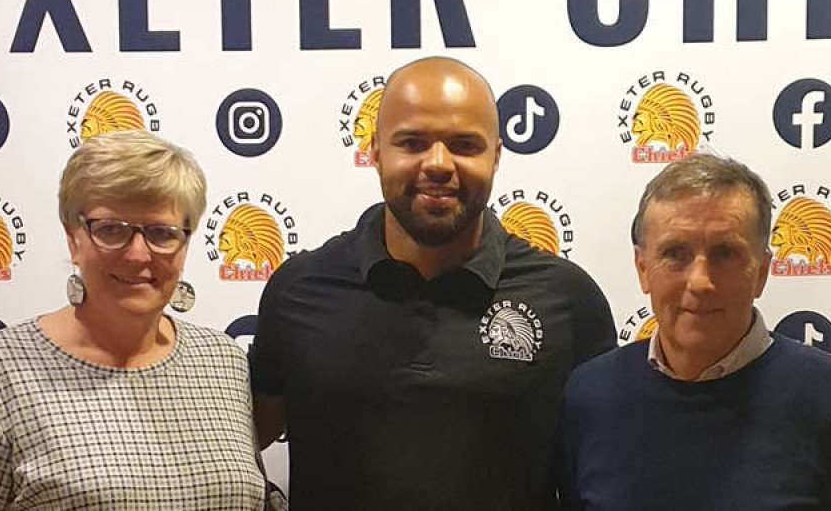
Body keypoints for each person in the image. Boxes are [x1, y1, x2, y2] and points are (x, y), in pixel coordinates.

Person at [248, 56, 616, 510]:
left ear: (497, 155)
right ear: (376, 152)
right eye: (413, 142)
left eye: (465, 145)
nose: (438, 163)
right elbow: (239, 448)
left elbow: (608, 472)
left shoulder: (568, 299)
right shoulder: (297, 291)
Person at [0, 131, 268, 510]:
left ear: (184, 245)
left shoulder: (223, 362)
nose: (138, 255)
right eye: (111, 230)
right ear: (73, 239)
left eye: (161, 233)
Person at [555, 154, 831, 510]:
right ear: (642, 268)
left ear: (763, 272)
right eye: (675, 253)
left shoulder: (829, 398)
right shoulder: (589, 398)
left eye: (724, 253)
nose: (701, 281)